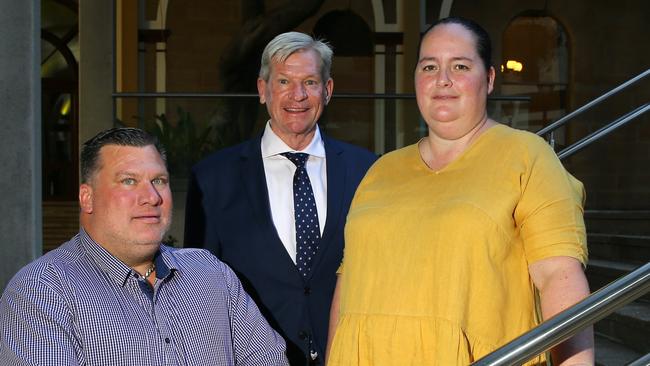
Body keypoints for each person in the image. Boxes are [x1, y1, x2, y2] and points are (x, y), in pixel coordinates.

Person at [326, 17, 594, 365]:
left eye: (461, 66)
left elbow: (560, 278)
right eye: (429, 66)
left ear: (490, 78)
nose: (443, 80)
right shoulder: (381, 170)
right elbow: (347, 285)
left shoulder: (527, 156)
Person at [0, 128, 289, 366]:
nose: (151, 197)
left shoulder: (211, 274)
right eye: (129, 181)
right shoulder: (43, 291)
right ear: (87, 198)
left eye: (159, 181)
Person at [184, 32, 376, 365]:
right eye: (284, 81)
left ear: (327, 91)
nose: (297, 95)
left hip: (349, 355)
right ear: (263, 90)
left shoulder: (368, 172)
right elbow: (198, 290)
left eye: (310, 82)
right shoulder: (213, 178)